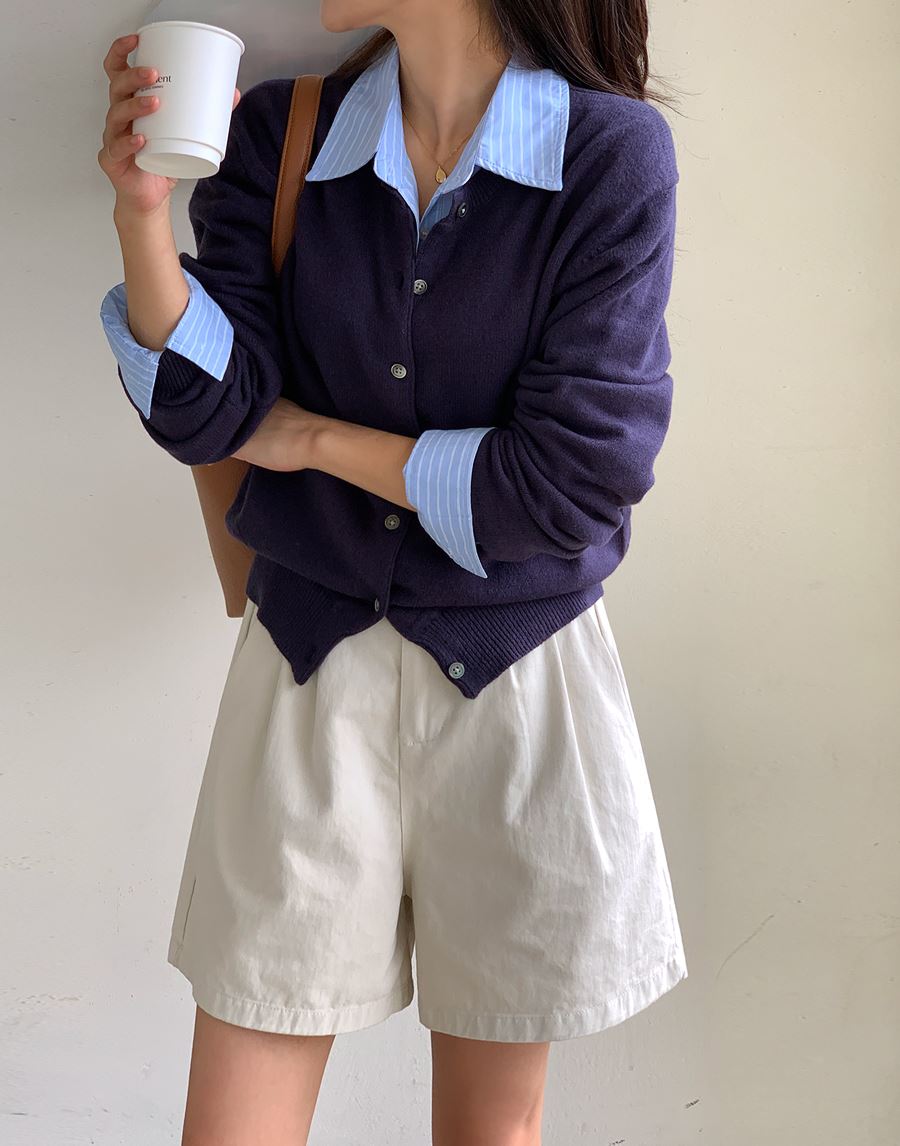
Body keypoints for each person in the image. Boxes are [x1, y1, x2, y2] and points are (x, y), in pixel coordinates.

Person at [97, 1, 688, 1142]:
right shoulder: (282, 136)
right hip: (309, 672)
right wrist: (142, 215)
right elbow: (212, 412)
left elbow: (568, 482)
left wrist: (318, 440)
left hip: (520, 683)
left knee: (489, 1133)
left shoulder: (610, 157)